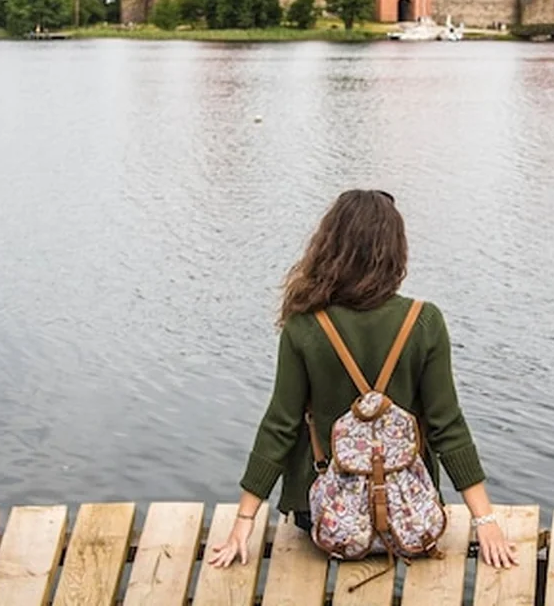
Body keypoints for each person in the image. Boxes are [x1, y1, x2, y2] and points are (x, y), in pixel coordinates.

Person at [209, 189, 518, 569]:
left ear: (329, 246)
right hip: (410, 515)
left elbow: (280, 425)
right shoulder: (424, 322)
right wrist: (484, 521)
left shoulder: (304, 325)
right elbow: (446, 425)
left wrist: (244, 523)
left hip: (324, 519)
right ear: (395, 252)